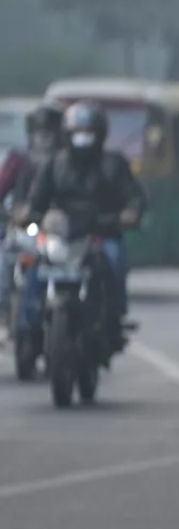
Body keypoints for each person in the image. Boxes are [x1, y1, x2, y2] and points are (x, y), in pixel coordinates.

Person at [24, 101, 147, 353]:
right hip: (63, 236)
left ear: (99, 135)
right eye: (77, 133)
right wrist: (27, 213)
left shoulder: (114, 164)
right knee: (35, 266)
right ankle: (28, 326)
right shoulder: (54, 165)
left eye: (88, 133)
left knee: (114, 260)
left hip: (102, 234)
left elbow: (134, 195)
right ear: (67, 135)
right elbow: (36, 199)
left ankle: (114, 320)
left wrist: (130, 212)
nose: (83, 139)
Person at [0, 104, 63, 333]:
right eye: (39, 131)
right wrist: (14, 212)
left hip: (57, 230)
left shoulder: (65, 162)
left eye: (48, 131)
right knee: (3, 261)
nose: (43, 137)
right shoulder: (19, 160)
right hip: (23, 226)